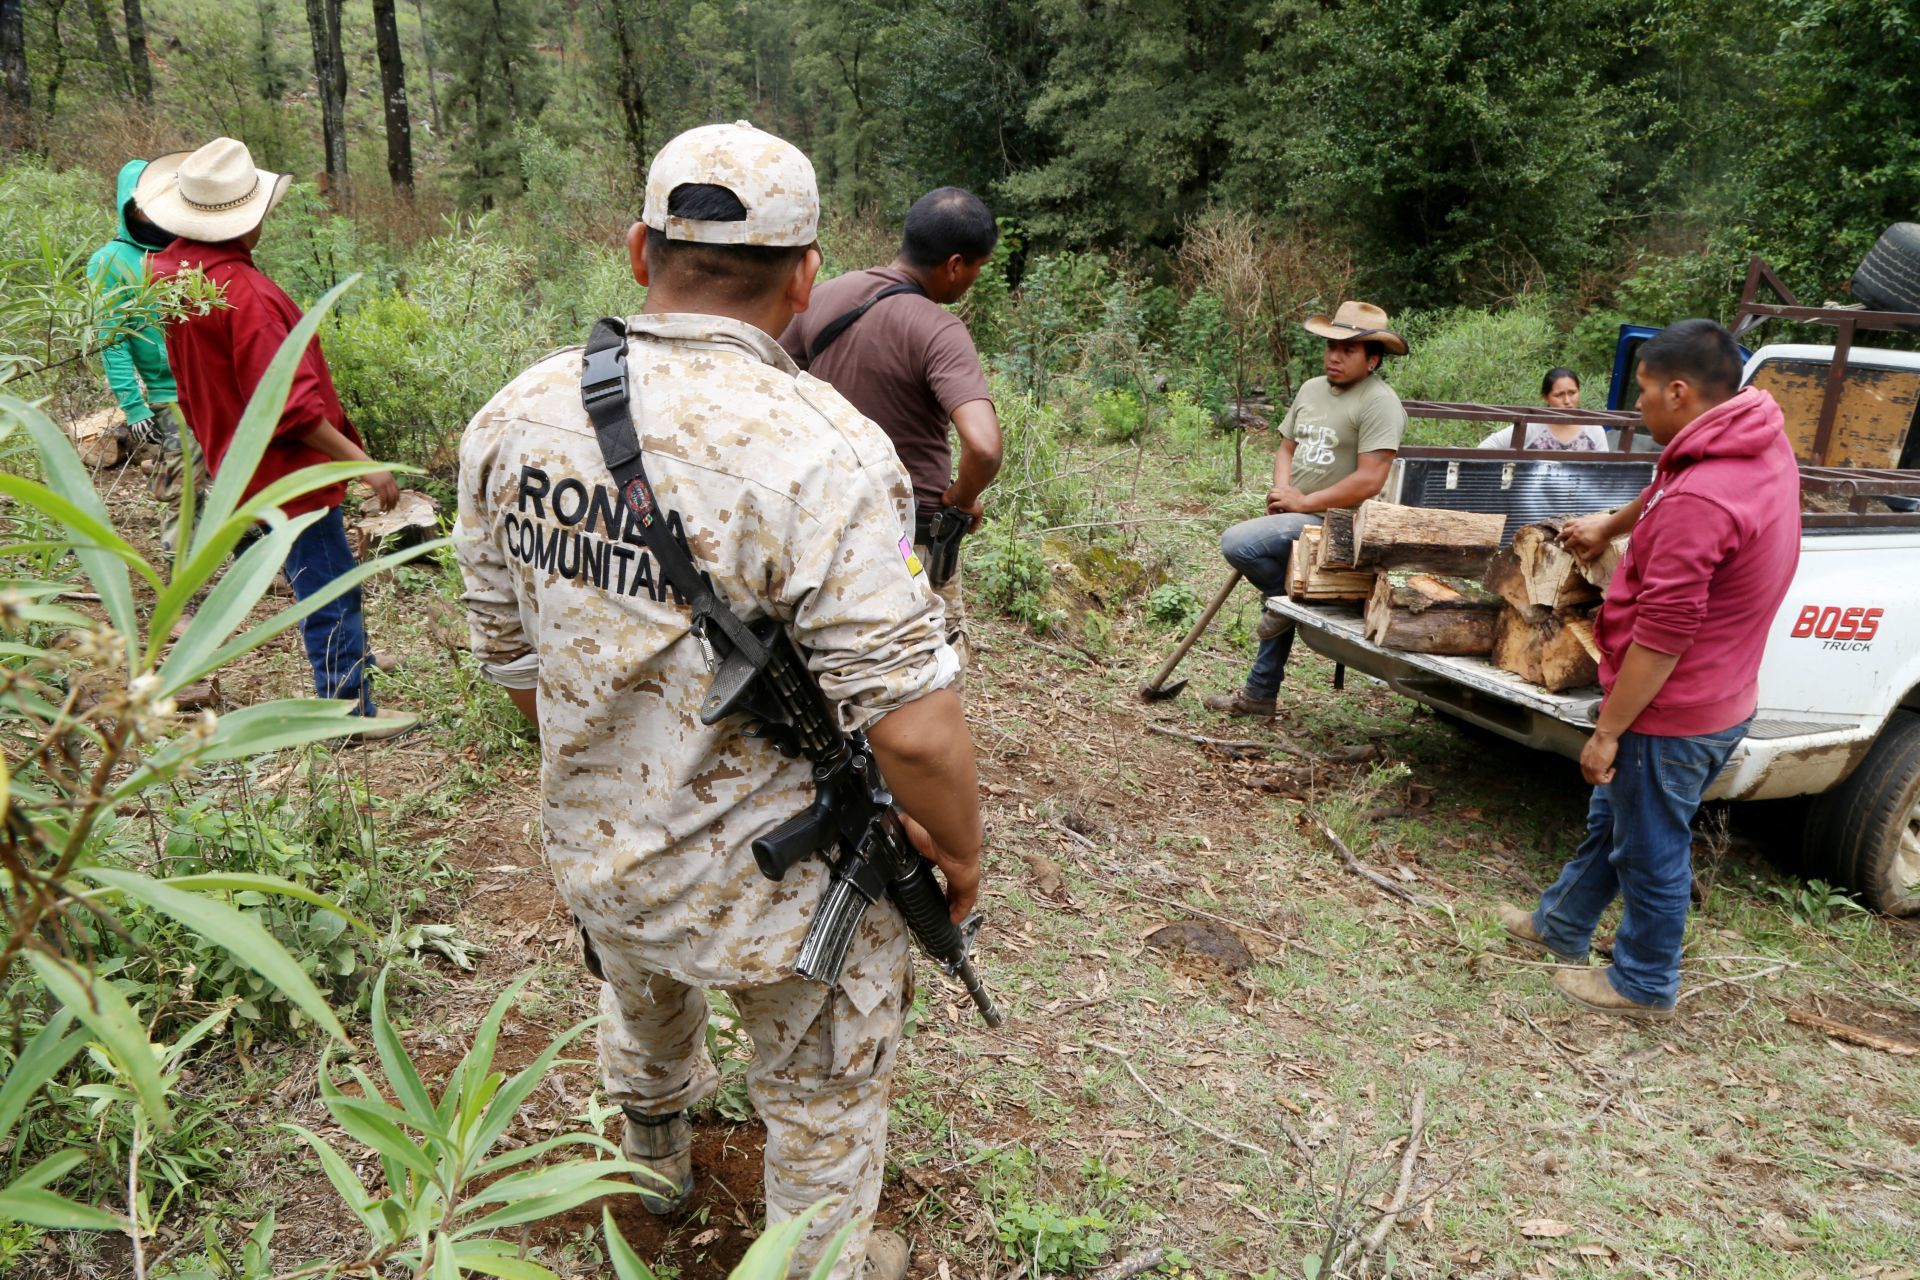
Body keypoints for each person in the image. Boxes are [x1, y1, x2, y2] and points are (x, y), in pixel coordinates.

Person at [455, 122, 982, 1280]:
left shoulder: (515, 418)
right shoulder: (828, 451)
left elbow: (512, 667)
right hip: (785, 898)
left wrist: (610, 770)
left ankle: (651, 1167)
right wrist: (967, 857)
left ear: (640, 248)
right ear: (804, 276)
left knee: (640, 1004)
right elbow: (913, 720)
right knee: (823, 1097)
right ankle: (811, 1258)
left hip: (604, 856)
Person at [1496, 320, 1800, 1019]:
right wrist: (1613, 524)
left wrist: (1609, 730)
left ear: (1680, 391)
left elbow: (1664, 638)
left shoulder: (1702, 501)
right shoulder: (1750, 435)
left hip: (1675, 705)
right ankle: (1562, 925)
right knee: (1618, 821)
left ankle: (1643, 983)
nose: (1637, 409)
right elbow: (1671, 483)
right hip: (1724, 688)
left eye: (1643, 395)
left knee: (1650, 847)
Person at [136, 137, 411, 741]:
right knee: (328, 583)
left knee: (315, 573)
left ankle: (353, 667)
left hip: (229, 454)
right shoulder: (247, 296)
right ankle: (346, 710)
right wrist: (366, 465)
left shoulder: (165, 270)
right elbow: (291, 408)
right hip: (286, 471)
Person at [778, 187, 1001, 666]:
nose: (975, 278)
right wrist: (962, 499)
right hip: (908, 535)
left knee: (824, 664)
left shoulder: (820, 299)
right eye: (979, 267)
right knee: (927, 671)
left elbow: (772, 387)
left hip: (817, 520)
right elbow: (983, 447)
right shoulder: (939, 331)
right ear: (955, 264)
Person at [1205, 301, 1410, 718]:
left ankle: (1282, 598)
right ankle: (1260, 695)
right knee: (1281, 586)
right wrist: (1283, 491)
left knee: (1237, 544)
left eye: (1348, 350)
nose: (1334, 356)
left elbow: (1371, 479)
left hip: (1339, 525)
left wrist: (1303, 503)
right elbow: (1286, 447)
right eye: (1331, 346)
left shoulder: (1380, 403)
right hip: (1297, 513)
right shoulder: (1311, 389)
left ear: (1373, 360)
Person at [86, 159, 184, 486]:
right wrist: (135, 407)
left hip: (210, 385)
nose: (153, 212)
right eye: (142, 204)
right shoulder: (108, 261)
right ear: (127, 206)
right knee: (187, 488)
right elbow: (113, 339)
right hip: (168, 392)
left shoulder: (186, 248)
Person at [1476, 368, 1607, 451]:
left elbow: (1606, 471)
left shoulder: (1594, 430)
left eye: (1572, 393)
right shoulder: (1531, 428)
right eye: (1559, 395)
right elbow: (1486, 448)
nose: (1567, 401)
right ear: (1545, 397)